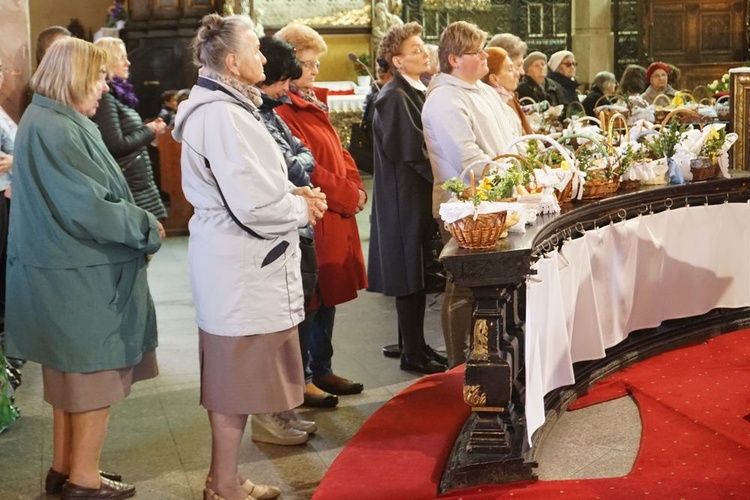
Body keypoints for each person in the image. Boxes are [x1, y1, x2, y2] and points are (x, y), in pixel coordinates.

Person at [173, 13, 327, 500]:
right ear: (234, 62)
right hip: (240, 267)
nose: (265, 57)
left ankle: (224, 479)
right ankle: (222, 485)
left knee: (233, 384)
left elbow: (258, 183)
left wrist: (296, 198)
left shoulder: (230, 107)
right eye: (256, 52)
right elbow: (255, 203)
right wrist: (300, 206)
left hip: (240, 263)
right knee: (231, 384)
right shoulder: (222, 115)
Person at [4, 37, 165, 499]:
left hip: (64, 272)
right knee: (94, 385)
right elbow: (89, 205)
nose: (104, 87)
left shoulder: (47, 117)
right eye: (98, 77)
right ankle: (84, 481)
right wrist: (146, 226)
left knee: (68, 385)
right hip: (80, 276)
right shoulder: (60, 127)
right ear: (74, 75)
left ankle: (64, 469)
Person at [274, 23, 368, 403]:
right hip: (318, 209)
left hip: (335, 207)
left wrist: (357, 186)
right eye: (309, 63)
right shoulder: (283, 107)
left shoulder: (312, 99)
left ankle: (323, 369)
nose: (315, 70)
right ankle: (304, 378)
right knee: (311, 298)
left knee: (327, 295)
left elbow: (339, 150)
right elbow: (306, 167)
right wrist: (348, 195)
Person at [422, 21, 520, 368]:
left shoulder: (481, 90)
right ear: (453, 59)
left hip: (497, 200)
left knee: (495, 283)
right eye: (476, 52)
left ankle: (492, 353)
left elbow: (509, 139)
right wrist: (516, 173)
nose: (483, 57)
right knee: (464, 285)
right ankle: (458, 363)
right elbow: (469, 159)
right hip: (463, 206)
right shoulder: (445, 98)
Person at [367, 22, 447, 375]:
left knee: (416, 272)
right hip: (404, 197)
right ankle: (412, 351)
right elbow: (410, 149)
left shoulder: (416, 88)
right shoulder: (394, 96)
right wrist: (447, 179)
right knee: (408, 273)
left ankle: (416, 344)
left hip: (416, 194)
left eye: (422, 46)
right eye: (415, 50)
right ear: (397, 62)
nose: (424, 52)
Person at [254, 34, 322, 436]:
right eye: (281, 80)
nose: (286, 89)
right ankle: (272, 413)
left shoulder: (271, 110)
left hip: (297, 225)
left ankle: (286, 405)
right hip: (276, 229)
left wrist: (298, 164)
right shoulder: (249, 113)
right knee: (275, 328)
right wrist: (298, 165)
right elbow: (288, 165)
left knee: (295, 319)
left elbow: (303, 153)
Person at [92, 37, 168, 221]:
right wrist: (149, 130)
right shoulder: (107, 98)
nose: (128, 63)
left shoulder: (117, 97)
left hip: (137, 183)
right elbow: (114, 144)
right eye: (121, 58)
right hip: (129, 185)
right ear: (107, 62)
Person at [481, 46, 532, 135]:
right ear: (494, 79)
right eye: (510, 69)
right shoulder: (501, 104)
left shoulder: (508, 98)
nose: (518, 73)